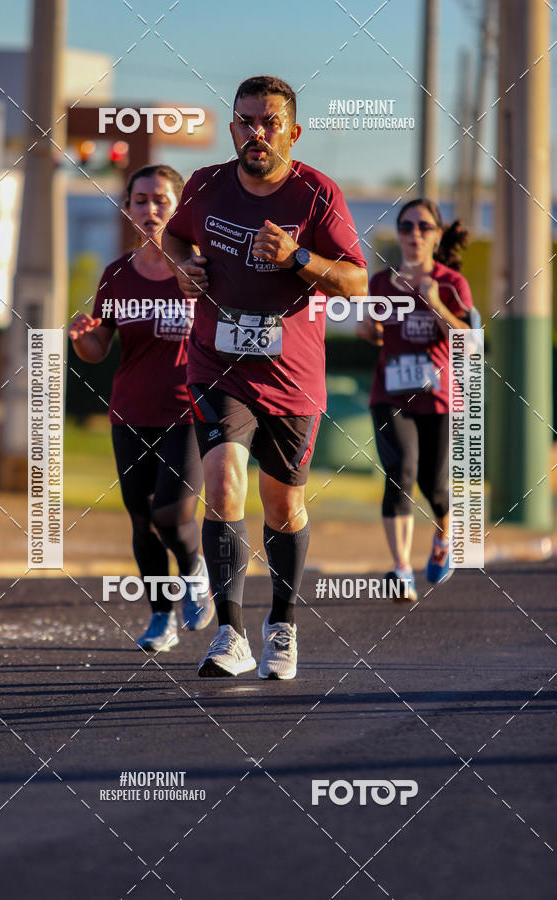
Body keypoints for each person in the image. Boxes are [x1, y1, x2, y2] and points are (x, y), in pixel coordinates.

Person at [162, 75, 368, 679]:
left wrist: (299, 257)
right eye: (246, 120)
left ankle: (282, 625)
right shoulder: (205, 185)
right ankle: (230, 633)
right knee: (223, 483)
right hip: (216, 365)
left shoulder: (316, 194)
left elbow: (357, 281)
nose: (256, 132)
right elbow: (175, 235)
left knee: (282, 505)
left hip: (291, 377)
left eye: (269, 121)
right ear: (231, 128)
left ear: (292, 132)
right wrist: (182, 267)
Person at [68, 164, 214, 651]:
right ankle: (160, 618)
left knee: (171, 513)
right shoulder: (115, 275)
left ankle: (195, 570)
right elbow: (99, 349)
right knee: (141, 519)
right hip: (130, 410)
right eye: (140, 200)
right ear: (128, 208)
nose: (150, 209)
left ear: (179, 208)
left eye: (161, 200)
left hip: (189, 410)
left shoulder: (202, 268)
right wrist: (84, 341)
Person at [358, 198, 473, 602]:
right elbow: (372, 332)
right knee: (400, 472)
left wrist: (436, 302)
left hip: (439, 397)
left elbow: (468, 341)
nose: (414, 235)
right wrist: (366, 327)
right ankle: (401, 568)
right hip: (390, 392)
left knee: (435, 486)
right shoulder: (381, 282)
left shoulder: (451, 283)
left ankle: (444, 533)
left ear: (437, 235)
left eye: (424, 227)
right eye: (406, 227)